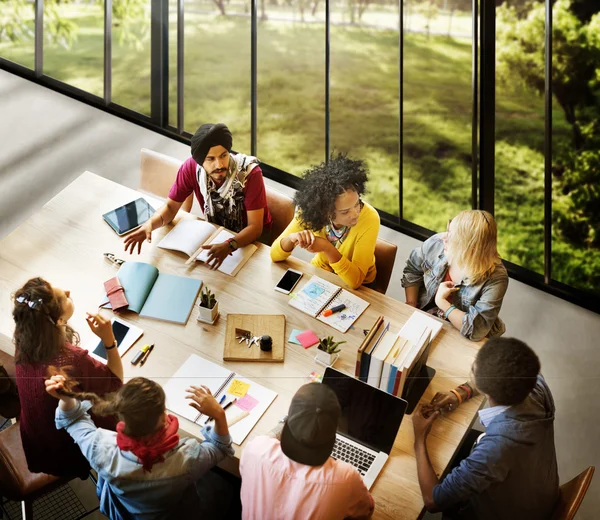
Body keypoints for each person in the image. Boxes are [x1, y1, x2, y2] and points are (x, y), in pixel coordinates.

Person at [45, 373, 235, 520]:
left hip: (125, 513)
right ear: (163, 417)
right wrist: (218, 414)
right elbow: (219, 447)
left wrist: (65, 398)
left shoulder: (101, 449)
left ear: (121, 418)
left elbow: (73, 420)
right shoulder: (186, 460)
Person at [412, 337, 559, 520]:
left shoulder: (496, 448)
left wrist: (419, 438)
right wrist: (460, 393)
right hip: (537, 490)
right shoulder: (535, 383)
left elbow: (432, 501)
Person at [12, 277, 123, 479]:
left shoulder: (23, 338)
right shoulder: (72, 359)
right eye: (64, 297)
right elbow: (115, 382)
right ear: (59, 321)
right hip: (69, 447)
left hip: (37, 439)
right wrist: (109, 340)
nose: (69, 291)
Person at [124, 123, 272, 269]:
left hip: (254, 242)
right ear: (200, 160)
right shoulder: (191, 169)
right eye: (210, 159)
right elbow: (170, 207)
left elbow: (255, 228)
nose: (219, 165)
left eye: (223, 155)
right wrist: (151, 224)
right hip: (218, 235)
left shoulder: (250, 174)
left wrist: (229, 245)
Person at [240, 382, 374, 520]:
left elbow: (261, 444)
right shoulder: (346, 478)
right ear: (333, 434)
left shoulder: (255, 450)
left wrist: (282, 425)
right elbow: (367, 510)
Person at [270, 154, 380, 289]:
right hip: (323, 272)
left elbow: (355, 280)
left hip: (363, 286)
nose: (355, 213)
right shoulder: (311, 212)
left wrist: (326, 248)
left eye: (357, 203)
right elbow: (274, 255)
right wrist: (292, 239)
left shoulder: (370, 218)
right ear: (326, 211)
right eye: (345, 212)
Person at [401, 210, 508, 341]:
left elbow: (477, 330)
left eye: (451, 237)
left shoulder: (496, 278)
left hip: (464, 335)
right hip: (429, 317)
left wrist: (442, 303)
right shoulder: (437, 244)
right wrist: (411, 304)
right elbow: (412, 269)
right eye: (448, 230)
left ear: (469, 249)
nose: (444, 237)